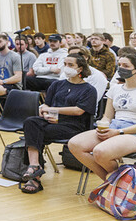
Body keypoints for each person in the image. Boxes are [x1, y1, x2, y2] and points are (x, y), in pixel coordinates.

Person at [68, 53, 136, 181]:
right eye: (120, 65)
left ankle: (119, 184)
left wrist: (118, 132)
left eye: (126, 66)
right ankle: (112, 183)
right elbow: (107, 116)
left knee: (100, 152)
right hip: (114, 127)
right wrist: (103, 126)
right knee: (74, 144)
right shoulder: (115, 89)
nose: (121, 68)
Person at [17, 52, 99, 193]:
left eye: (70, 65)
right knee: (30, 122)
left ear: (80, 69)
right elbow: (46, 105)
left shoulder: (89, 90)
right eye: (65, 64)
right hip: (52, 121)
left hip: (73, 126)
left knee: (35, 133)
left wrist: (55, 110)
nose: (66, 67)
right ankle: (34, 165)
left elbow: (79, 111)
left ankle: (34, 178)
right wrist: (46, 111)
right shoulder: (57, 85)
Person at [0, 34, 32, 120]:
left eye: (0, 41)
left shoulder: (15, 56)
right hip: (0, 84)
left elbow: (18, 77)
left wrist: (3, 82)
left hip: (13, 85)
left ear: (7, 42)